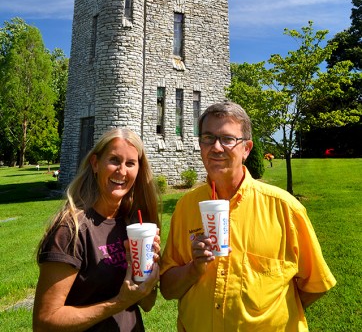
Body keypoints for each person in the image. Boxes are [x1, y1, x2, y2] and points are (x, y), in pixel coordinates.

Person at [160, 101, 336, 332]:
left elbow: (316, 285)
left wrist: (272, 314)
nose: (216, 147)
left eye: (228, 139)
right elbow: (168, 289)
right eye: (208, 138)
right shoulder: (186, 207)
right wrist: (194, 268)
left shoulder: (284, 208)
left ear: (247, 149)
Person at [33, 128, 160, 332]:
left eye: (130, 163)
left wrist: (145, 271)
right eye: (114, 160)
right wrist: (118, 302)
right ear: (95, 164)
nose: (122, 171)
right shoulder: (70, 230)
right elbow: (44, 323)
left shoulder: (131, 224)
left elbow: (147, 304)